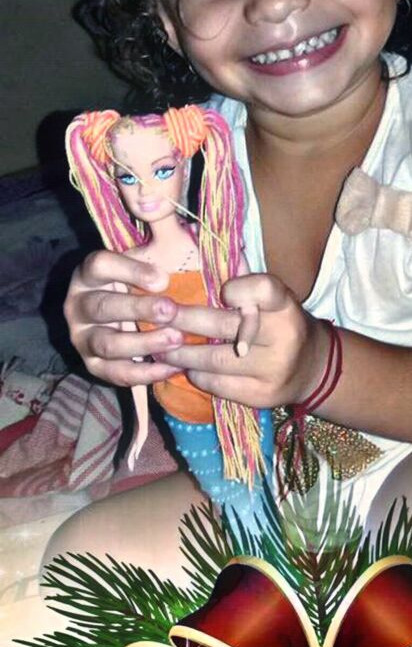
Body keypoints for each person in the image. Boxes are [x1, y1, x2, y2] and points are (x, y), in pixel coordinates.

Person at [51, 0, 412, 584]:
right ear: (167, 20)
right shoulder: (182, 163)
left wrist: (318, 366)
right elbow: (167, 318)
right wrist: (114, 328)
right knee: (83, 562)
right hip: (274, 464)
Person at [64, 106, 273, 522]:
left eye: (161, 170)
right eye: (127, 177)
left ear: (187, 170)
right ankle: (248, 550)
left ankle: (268, 552)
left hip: (241, 404)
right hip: (179, 408)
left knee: (258, 488)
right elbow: (133, 359)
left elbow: (250, 309)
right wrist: (140, 425)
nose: (144, 191)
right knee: (223, 496)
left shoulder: (216, 250)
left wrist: (247, 337)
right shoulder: (126, 268)